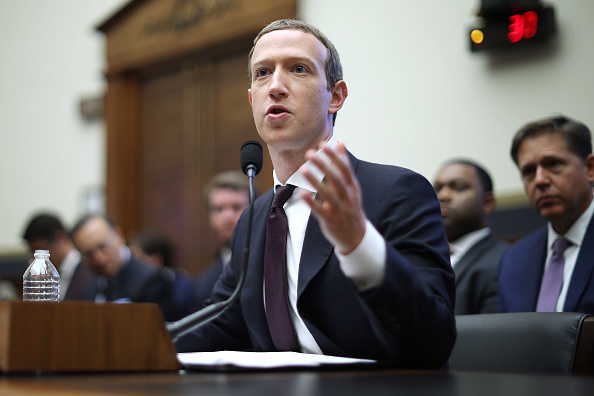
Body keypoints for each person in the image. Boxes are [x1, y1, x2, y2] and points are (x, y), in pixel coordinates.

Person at [174, 19, 455, 368]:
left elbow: (434, 339)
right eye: (262, 73)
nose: (275, 86)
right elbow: (221, 324)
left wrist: (360, 244)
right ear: (251, 101)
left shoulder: (398, 192)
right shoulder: (254, 217)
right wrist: (135, 342)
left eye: (298, 69)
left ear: (335, 96)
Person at [498, 115, 594, 314]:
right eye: (529, 171)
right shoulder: (514, 259)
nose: (540, 180)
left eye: (553, 164)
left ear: (590, 168)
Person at [70, 214, 179, 321]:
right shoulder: (88, 287)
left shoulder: (151, 279)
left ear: (119, 236)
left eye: (103, 246)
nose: (99, 258)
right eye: (89, 254)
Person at [433, 160, 507, 314]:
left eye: (458, 187)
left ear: (487, 202)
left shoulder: (506, 259)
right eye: (437, 189)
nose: (443, 196)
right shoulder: (421, 256)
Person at [192, 170, 255, 307]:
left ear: (257, 209)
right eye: (218, 209)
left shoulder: (275, 264)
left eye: (237, 207)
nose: (227, 217)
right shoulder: (203, 284)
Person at [21, 212, 96, 301]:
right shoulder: (52, 274)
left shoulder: (90, 269)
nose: (34, 261)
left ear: (60, 237)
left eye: (42, 250)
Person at [130, 229, 197, 318]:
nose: (134, 264)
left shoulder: (184, 290)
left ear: (155, 260)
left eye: (138, 258)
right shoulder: (136, 285)